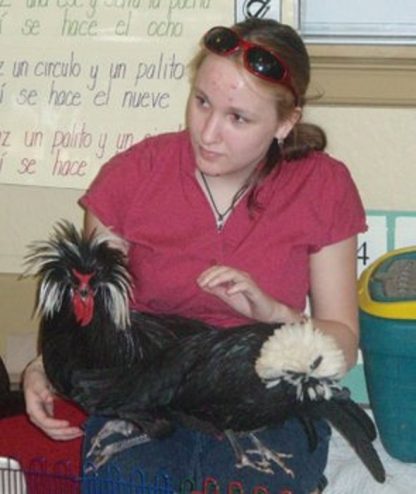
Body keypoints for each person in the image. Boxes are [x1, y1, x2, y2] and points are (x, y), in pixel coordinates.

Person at [23, 18, 367, 494]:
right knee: (129, 484)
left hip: (262, 392)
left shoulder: (323, 186)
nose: (207, 133)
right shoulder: (132, 175)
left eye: (238, 118)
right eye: (202, 101)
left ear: (286, 123)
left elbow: (343, 343)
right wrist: (48, 365)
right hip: (145, 390)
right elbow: (92, 312)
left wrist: (275, 314)